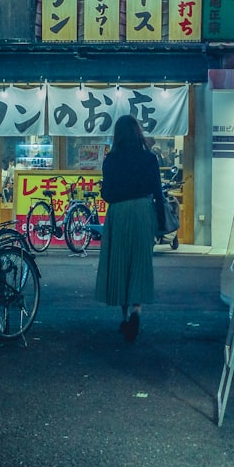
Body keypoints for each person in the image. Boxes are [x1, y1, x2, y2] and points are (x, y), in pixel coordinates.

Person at [95, 114, 165, 342]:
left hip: (119, 213)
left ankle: (125, 318)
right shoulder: (149, 158)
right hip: (143, 211)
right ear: (138, 132)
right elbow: (157, 191)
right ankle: (137, 310)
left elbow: (106, 194)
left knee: (120, 263)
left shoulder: (111, 159)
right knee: (139, 263)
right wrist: (161, 223)